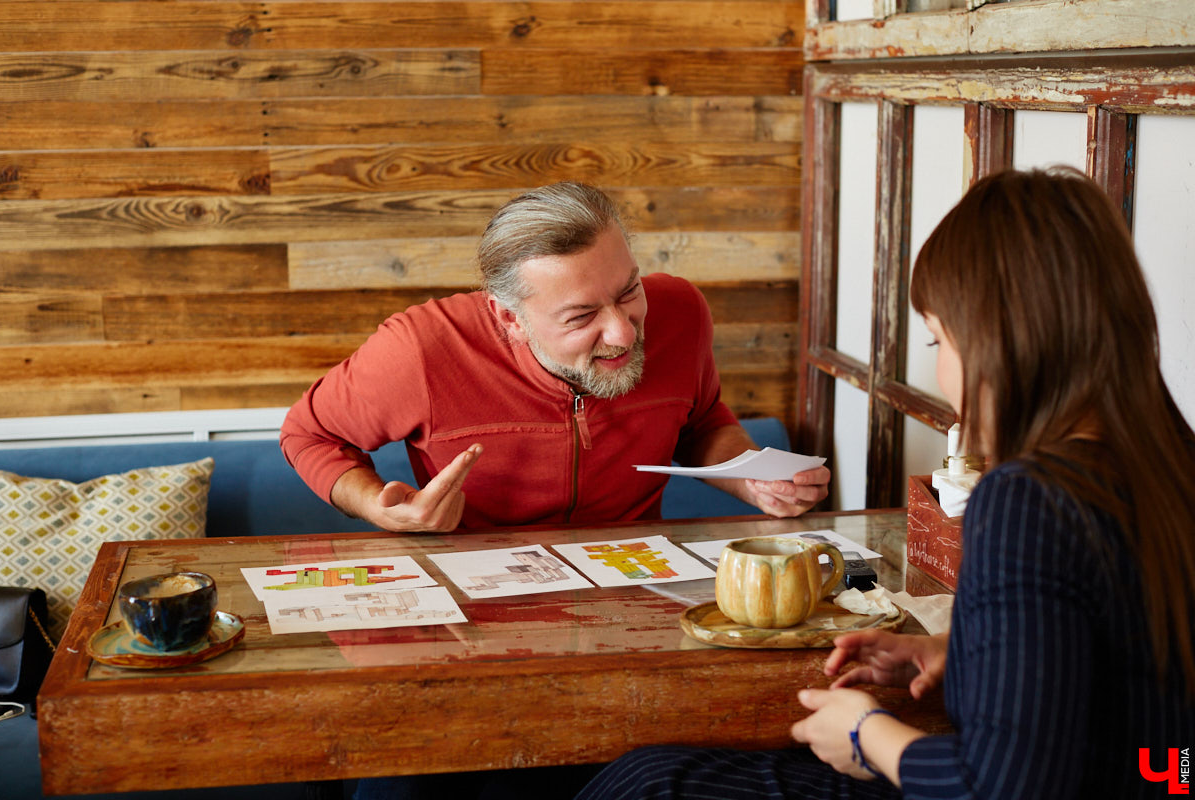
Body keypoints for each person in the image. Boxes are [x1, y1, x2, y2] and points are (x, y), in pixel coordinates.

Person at [574, 167, 1195, 800]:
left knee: (647, 784)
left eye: (939, 337)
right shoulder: (1170, 458)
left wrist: (866, 735)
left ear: (1004, 342)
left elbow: (1006, 786)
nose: (938, 363)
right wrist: (966, 656)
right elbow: (1141, 697)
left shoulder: (1028, 500)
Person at [281, 181, 830, 533]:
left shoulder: (681, 311)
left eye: (628, 291)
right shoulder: (420, 349)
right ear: (508, 317)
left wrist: (753, 479)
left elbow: (702, 422)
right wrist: (376, 504)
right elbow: (309, 434)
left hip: (633, 584)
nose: (621, 333)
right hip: (475, 595)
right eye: (580, 316)